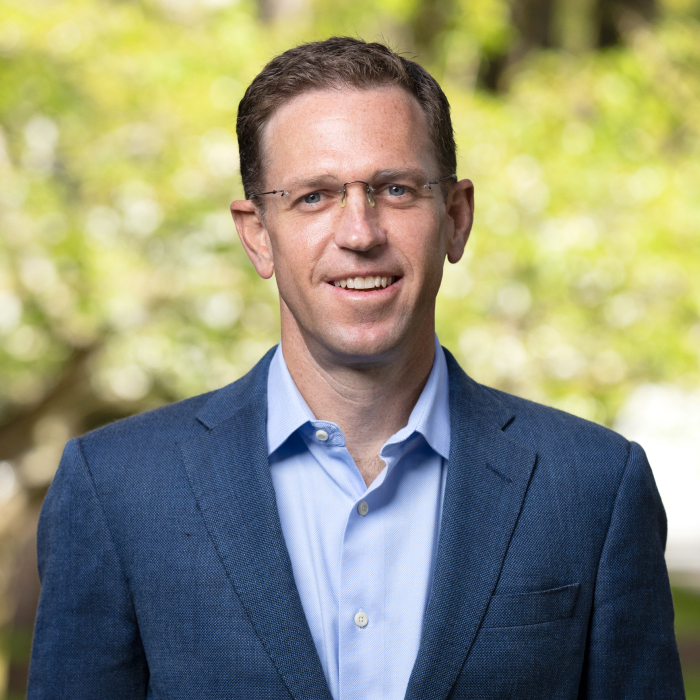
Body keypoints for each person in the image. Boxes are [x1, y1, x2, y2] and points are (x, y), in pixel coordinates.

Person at [28, 37, 684, 699]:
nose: (360, 232)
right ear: (258, 233)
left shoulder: (594, 489)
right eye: (314, 196)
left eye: (395, 189)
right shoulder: (116, 491)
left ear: (455, 218)